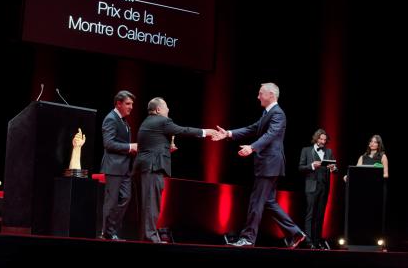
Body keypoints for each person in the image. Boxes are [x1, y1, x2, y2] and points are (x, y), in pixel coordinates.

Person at [214, 82, 306, 248]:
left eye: (260, 93)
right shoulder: (267, 113)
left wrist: (252, 147)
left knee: (256, 201)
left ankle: (248, 238)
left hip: (269, 164)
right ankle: (295, 232)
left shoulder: (278, 113)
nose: (258, 97)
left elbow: (271, 135)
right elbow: (252, 128)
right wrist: (228, 133)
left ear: (271, 94)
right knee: (268, 201)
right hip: (268, 164)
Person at [133, 97, 217, 243]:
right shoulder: (162, 121)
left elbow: (151, 146)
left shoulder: (147, 121)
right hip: (152, 168)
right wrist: (206, 132)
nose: (168, 110)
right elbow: (183, 130)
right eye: (166, 107)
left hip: (144, 167)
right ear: (158, 109)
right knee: (152, 205)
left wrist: (166, 149)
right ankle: (150, 237)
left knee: (145, 205)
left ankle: (145, 237)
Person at [99, 90, 138, 240]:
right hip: (114, 167)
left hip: (125, 167)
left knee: (126, 198)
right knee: (112, 201)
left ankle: (111, 230)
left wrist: (132, 150)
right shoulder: (111, 119)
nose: (131, 107)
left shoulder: (123, 120)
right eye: (128, 104)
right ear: (118, 103)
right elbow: (108, 144)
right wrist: (130, 147)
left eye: (132, 104)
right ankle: (107, 233)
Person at [298, 128, 337, 249]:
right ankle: (308, 241)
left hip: (324, 187)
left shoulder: (329, 151)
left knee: (320, 215)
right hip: (311, 186)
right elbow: (300, 168)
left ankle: (317, 240)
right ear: (316, 138)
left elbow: (336, 169)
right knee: (310, 214)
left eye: (325, 139)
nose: (323, 141)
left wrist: (333, 168)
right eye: (321, 139)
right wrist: (312, 165)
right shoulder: (306, 150)